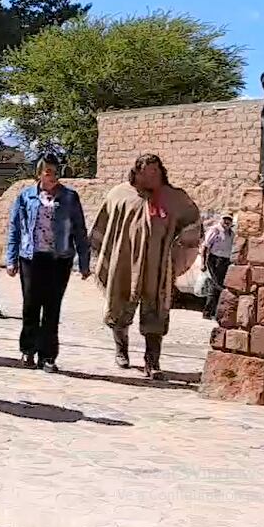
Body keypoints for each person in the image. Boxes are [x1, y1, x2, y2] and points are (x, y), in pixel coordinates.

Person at [91, 153, 200, 380]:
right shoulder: (119, 195)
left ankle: (153, 361)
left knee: (157, 311)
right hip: (124, 262)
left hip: (158, 265)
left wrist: (180, 250)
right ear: (136, 173)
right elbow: (103, 226)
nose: (152, 175)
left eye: (156, 171)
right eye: (146, 171)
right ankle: (121, 350)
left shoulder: (174, 198)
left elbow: (193, 224)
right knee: (119, 307)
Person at [4, 155, 90, 373]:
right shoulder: (26, 197)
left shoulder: (69, 197)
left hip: (59, 259)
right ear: (40, 173)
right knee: (31, 305)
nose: (53, 176)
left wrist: (84, 261)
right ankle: (28, 350)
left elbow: (80, 230)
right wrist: (11, 259)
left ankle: (48, 356)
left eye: (56, 170)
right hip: (31, 258)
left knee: (52, 308)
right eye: (48, 171)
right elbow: (15, 228)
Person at [200, 214, 235, 318]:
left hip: (226, 261)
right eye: (225, 219)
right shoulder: (215, 230)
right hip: (215, 260)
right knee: (216, 285)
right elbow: (205, 247)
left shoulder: (231, 234)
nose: (227, 222)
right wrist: (203, 263)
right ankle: (208, 312)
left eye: (229, 220)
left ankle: (214, 312)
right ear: (221, 220)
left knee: (219, 285)